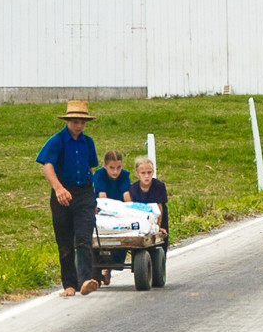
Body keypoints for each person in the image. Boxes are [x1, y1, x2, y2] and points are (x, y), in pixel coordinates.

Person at [36, 100, 101, 297]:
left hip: (84, 193)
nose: (79, 126)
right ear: (68, 121)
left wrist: (93, 198)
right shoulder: (57, 140)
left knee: (83, 239)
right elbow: (47, 165)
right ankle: (69, 285)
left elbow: (91, 168)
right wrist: (58, 189)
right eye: (75, 122)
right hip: (62, 193)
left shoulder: (88, 142)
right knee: (64, 242)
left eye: (82, 122)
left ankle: (85, 280)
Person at [93, 150, 131, 285]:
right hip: (102, 210)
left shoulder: (124, 175)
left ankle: (111, 267)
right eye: (112, 168)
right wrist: (107, 210)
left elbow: (126, 194)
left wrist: (129, 208)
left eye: (118, 168)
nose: (115, 172)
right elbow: (102, 195)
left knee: (122, 237)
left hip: (120, 211)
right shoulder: (99, 174)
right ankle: (98, 269)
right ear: (105, 166)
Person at [129, 155, 169, 246]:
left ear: (153, 172)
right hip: (141, 220)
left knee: (160, 245)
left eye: (149, 172)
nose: (146, 176)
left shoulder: (159, 186)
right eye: (143, 173)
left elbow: (159, 208)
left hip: (158, 220)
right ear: (137, 173)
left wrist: (157, 227)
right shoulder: (133, 189)